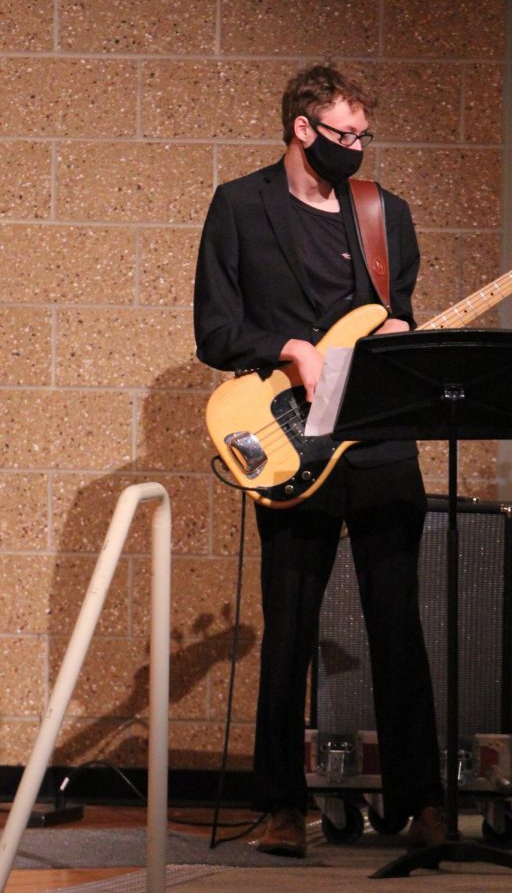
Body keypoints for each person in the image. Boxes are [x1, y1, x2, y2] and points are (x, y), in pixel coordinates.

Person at [194, 64, 446, 857]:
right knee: (289, 629)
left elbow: (392, 308)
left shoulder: (383, 213)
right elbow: (214, 329)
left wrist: (402, 332)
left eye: (364, 135)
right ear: (302, 129)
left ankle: (423, 802)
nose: (356, 148)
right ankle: (278, 806)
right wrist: (285, 348)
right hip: (289, 442)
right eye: (343, 135)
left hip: (376, 443)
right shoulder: (239, 205)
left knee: (397, 626)